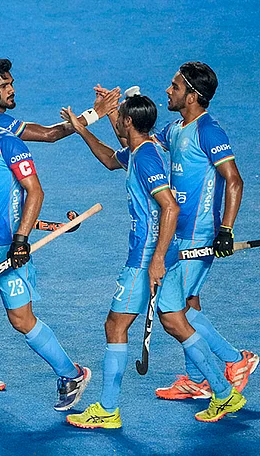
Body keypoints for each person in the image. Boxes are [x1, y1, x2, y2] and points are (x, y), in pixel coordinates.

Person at [0, 58, 121, 397]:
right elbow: (50, 135)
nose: (11, 89)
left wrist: (24, 234)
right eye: (4, 86)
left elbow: (29, 182)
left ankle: (61, 372)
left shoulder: (2, 133)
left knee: (11, 315)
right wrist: (96, 115)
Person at [100, 63, 257, 401]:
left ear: (192, 95)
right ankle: (202, 376)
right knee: (183, 306)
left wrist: (226, 230)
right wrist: (115, 113)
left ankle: (233, 362)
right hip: (175, 233)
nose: (168, 91)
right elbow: (135, 141)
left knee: (174, 312)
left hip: (198, 234)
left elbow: (235, 180)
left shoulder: (208, 131)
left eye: (174, 86)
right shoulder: (175, 130)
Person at [59, 93, 178, 428]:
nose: (118, 121)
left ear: (128, 122)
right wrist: (83, 130)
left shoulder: (146, 159)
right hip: (152, 253)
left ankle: (108, 409)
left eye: (119, 117)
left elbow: (170, 206)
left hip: (144, 257)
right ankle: (224, 388)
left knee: (115, 326)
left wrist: (155, 259)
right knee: (181, 320)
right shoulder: (144, 149)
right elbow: (112, 159)